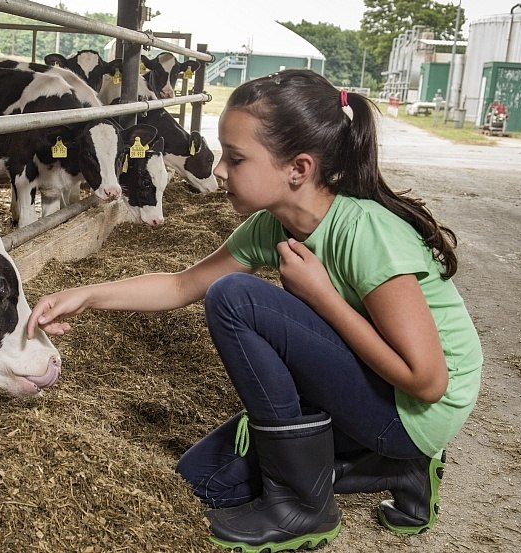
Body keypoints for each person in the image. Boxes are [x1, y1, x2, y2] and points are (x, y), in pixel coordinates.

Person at [27, 69, 482, 551]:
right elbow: (182, 285)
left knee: (236, 298)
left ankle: (305, 507)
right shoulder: (272, 226)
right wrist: (88, 294)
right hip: (370, 383)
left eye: (236, 158)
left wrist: (322, 298)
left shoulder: (366, 233)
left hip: (416, 412)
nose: (219, 169)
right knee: (202, 483)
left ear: (299, 169)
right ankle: (397, 470)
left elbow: (427, 381)